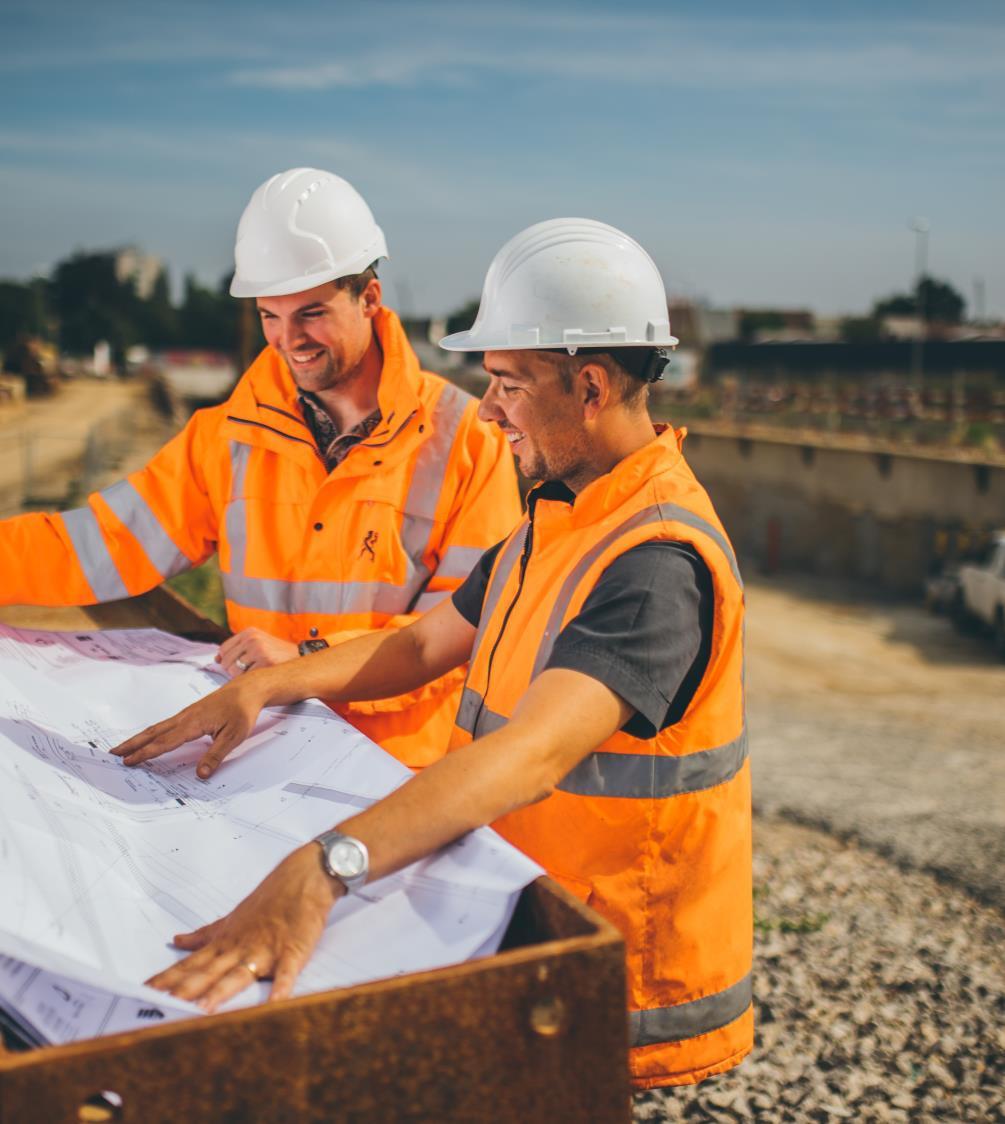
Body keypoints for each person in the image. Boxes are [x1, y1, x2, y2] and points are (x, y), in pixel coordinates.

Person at [113, 218, 753, 1089]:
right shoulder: (562, 516)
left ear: (592, 385)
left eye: (507, 384)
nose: (487, 412)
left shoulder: (653, 563)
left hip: (617, 978)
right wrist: (268, 686)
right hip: (524, 923)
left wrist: (325, 867)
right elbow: (423, 642)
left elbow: (533, 753)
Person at [0, 168, 521, 767]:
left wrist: (305, 660)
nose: (287, 339)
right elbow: (97, 547)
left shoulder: (467, 437)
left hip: (398, 771)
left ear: (370, 298)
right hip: (256, 757)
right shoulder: (226, 437)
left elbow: (466, 630)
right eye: (270, 315)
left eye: (311, 313)